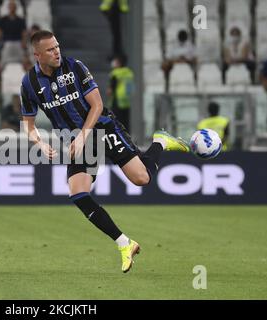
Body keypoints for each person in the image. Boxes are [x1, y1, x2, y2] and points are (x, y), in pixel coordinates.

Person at [20, 31, 190, 273]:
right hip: (78, 140)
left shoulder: (75, 67)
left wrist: (83, 135)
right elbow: (28, 125)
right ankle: (125, 243)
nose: (57, 51)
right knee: (78, 194)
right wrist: (39, 143)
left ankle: (160, 142)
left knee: (141, 179)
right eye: (50, 50)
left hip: (101, 127)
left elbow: (97, 104)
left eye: (57, 46)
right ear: (37, 55)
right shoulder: (30, 83)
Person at [107, 54, 134, 129]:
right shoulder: (128, 72)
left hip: (117, 101)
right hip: (126, 101)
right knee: (126, 123)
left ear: (119, 63)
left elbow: (110, 89)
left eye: (115, 61)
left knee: (117, 122)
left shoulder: (115, 73)